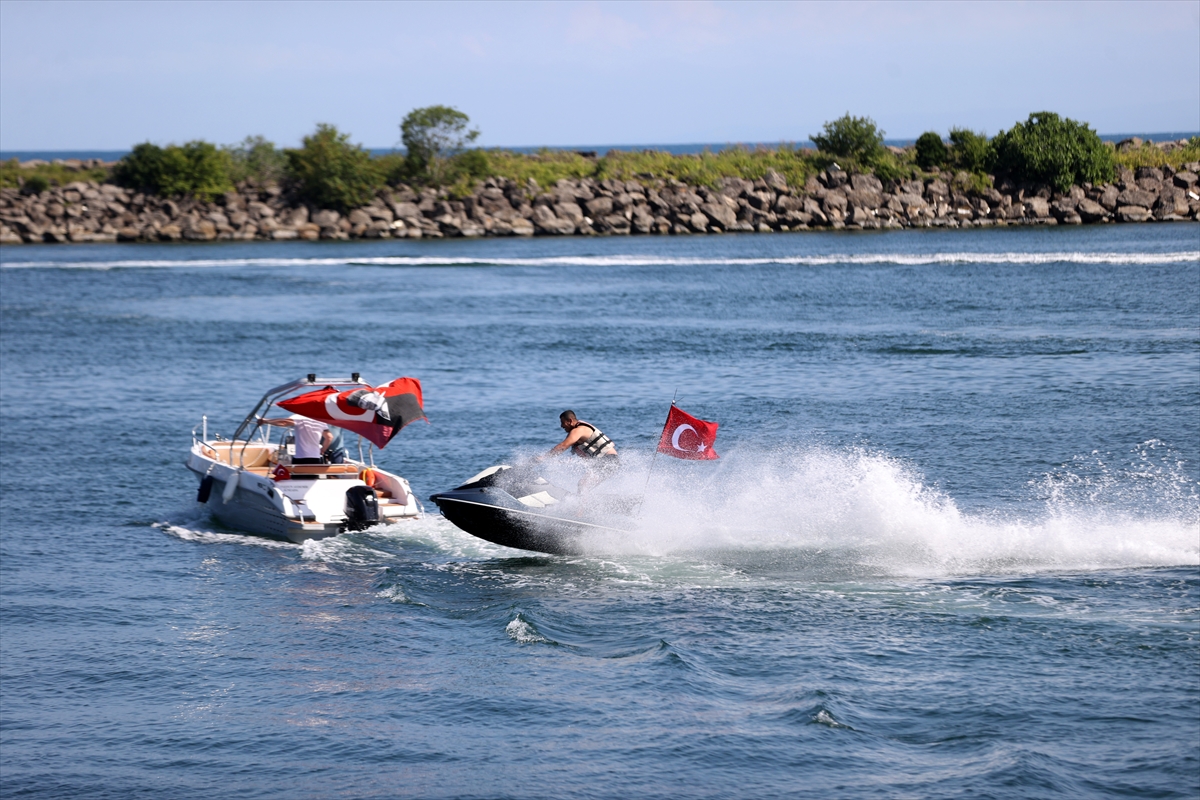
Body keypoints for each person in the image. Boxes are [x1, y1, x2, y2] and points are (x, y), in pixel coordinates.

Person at [536, 410, 619, 493]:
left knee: (583, 484)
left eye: (563, 422)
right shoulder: (577, 432)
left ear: (570, 421)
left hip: (609, 460)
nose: (561, 426)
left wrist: (544, 457)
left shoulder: (579, 430)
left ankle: (582, 505)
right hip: (607, 461)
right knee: (583, 485)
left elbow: (563, 446)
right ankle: (585, 501)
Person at [262, 413, 329, 464]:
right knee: (312, 480)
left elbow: (283, 422)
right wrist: (322, 450)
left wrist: (266, 421)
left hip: (301, 457)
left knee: (298, 479)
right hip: (315, 457)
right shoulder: (321, 420)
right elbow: (329, 437)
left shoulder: (298, 417)